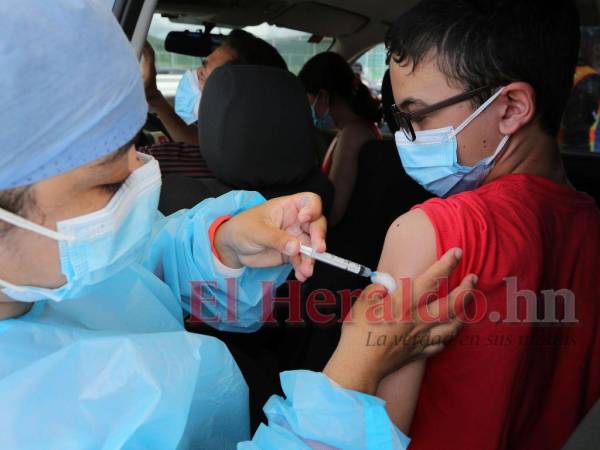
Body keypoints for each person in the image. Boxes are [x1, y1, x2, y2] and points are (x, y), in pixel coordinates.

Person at [0, 1, 478, 448]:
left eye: (137, 147)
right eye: (106, 183)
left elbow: (144, 265)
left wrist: (225, 245)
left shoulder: (47, 269)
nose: (143, 175)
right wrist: (355, 376)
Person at [376, 0, 600, 449]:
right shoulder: (591, 220)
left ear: (512, 107)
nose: (404, 136)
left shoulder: (430, 233)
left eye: (417, 116)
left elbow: (374, 433)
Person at [142, 29, 287, 145]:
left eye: (203, 75)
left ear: (240, 94)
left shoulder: (165, 164)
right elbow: (199, 142)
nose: (196, 72)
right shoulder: (290, 158)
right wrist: (154, 97)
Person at [299, 52, 383, 226]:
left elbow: (334, 209)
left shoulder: (352, 134)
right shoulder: (356, 129)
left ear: (323, 96)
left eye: (308, 99)